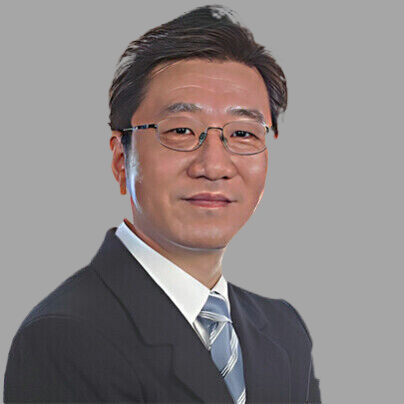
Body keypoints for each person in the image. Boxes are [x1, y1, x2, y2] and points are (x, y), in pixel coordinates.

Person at [4, 5, 321, 403]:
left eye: (243, 134)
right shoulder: (65, 336)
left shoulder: (284, 330)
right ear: (121, 160)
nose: (214, 166)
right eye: (182, 130)